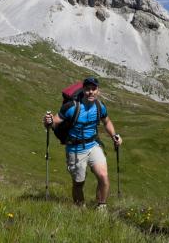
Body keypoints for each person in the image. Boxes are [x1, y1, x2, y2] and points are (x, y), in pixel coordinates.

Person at [43, 77, 122, 209]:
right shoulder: (71, 107)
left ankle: (101, 207)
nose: (90, 92)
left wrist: (114, 135)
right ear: (83, 90)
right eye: (87, 89)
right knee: (79, 183)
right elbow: (54, 122)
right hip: (75, 149)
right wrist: (48, 121)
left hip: (93, 145)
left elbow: (106, 122)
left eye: (93, 89)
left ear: (98, 91)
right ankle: (80, 208)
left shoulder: (99, 106)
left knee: (103, 176)